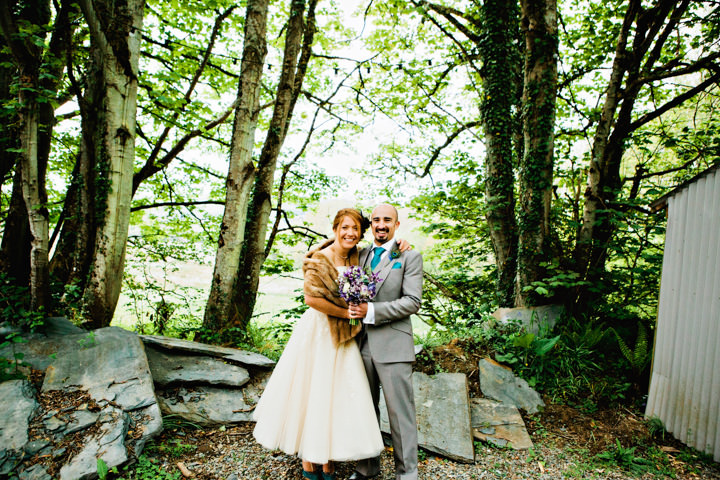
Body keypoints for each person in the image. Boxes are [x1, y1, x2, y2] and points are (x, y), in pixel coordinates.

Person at [253, 208, 407, 480]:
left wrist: (402, 245)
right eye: (345, 227)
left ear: (361, 232)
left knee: (339, 395)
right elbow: (311, 299)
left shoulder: (359, 256)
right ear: (336, 228)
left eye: (355, 229)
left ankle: (329, 457)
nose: (350, 233)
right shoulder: (318, 259)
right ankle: (310, 459)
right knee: (315, 393)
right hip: (320, 332)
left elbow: (387, 255)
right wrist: (345, 313)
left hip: (346, 336)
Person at [348, 203, 423, 480]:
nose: (381, 225)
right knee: (364, 409)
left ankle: (407, 473)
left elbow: (412, 301)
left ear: (397, 225)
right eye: (376, 220)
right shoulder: (360, 253)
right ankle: (366, 468)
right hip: (360, 344)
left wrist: (373, 311)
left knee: (400, 414)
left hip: (394, 345)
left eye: (387, 220)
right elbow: (326, 249)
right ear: (370, 225)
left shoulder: (409, 255)